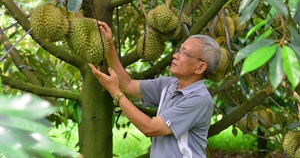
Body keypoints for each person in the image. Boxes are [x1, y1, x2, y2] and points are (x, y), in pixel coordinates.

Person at [89, 21, 221, 158]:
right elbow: (126, 84)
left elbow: (150, 128)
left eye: (184, 53)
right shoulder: (168, 85)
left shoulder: (199, 100)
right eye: (179, 50)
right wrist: (109, 44)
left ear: (200, 67)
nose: (175, 55)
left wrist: (116, 93)